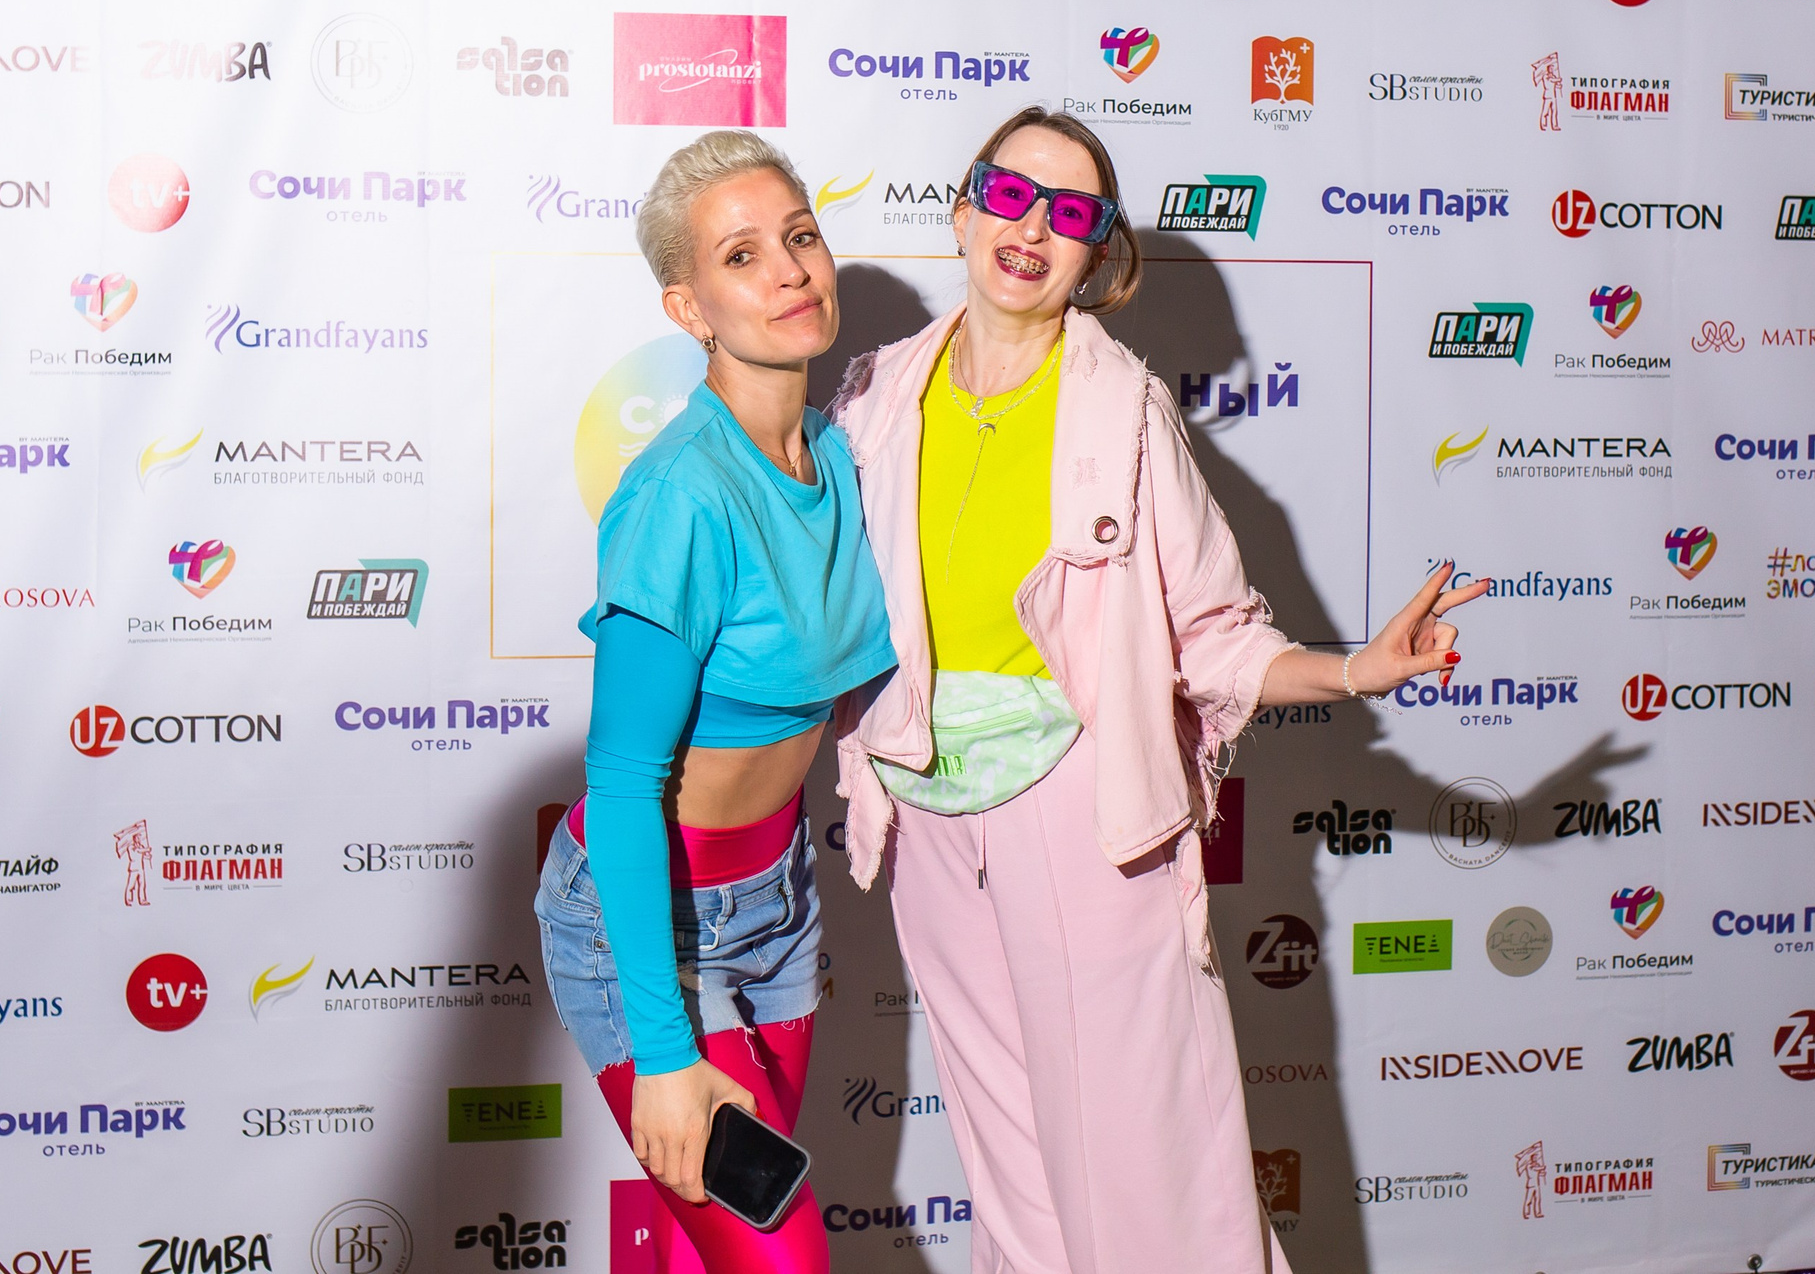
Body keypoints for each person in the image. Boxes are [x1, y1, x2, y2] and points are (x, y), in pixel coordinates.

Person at [829, 106, 1488, 1274]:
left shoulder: (1124, 408)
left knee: (1146, 1164)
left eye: (1071, 212)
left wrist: (1356, 669)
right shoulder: (876, 393)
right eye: (1011, 193)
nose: (1033, 227)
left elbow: (1215, 635)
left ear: (1096, 253)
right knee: (1010, 1160)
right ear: (965, 207)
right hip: (924, 811)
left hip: (1081, 807)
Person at [536, 130, 895, 1274]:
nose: (790, 270)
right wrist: (662, 1049)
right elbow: (620, 785)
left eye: (801, 236)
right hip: (648, 923)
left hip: (779, 904)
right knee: (781, 1258)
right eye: (743, 255)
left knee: (713, 1255)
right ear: (689, 308)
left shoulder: (846, 456)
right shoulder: (680, 497)